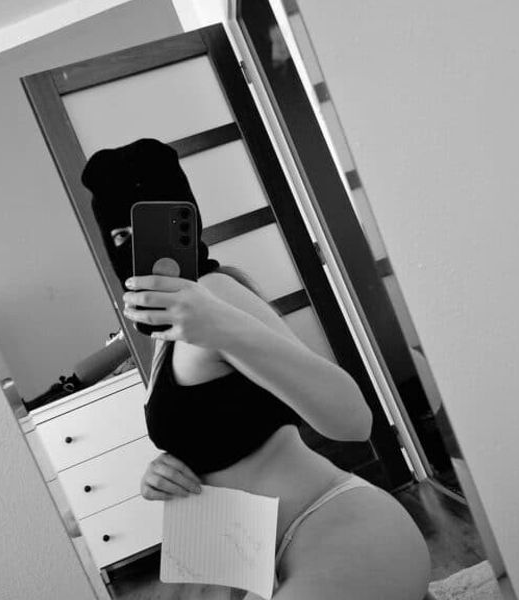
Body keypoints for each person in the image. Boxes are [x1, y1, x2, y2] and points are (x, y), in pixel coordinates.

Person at [82, 139, 431, 600]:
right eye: (121, 238)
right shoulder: (169, 331)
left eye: (148, 230)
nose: (138, 250)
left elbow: (354, 421)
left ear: (186, 223)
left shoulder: (216, 293)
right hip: (257, 556)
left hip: (334, 527)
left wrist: (222, 327)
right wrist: (163, 471)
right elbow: (216, 428)